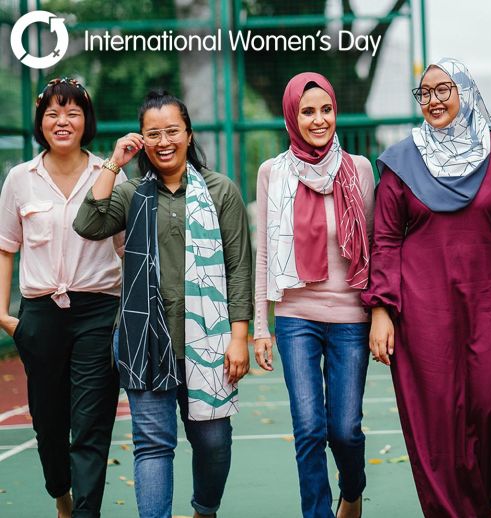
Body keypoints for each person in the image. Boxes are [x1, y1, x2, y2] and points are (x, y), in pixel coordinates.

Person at [73, 91, 252, 518]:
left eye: (172, 130)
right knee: (153, 446)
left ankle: (204, 509)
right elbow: (89, 222)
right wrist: (114, 162)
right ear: (143, 141)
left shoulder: (219, 190)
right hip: (143, 340)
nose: (164, 140)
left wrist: (240, 336)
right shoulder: (132, 192)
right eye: (153, 134)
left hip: (209, 341)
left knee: (213, 440)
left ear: (188, 135)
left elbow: (238, 267)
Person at [361, 58, 491, 518]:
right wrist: (381, 310)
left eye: (443, 89)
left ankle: (487, 498)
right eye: (424, 92)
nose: (433, 100)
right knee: (437, 420)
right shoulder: (400, 160)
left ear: (466, 92)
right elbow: (386, 238)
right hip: (423, 310)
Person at [252, 72, 374, 518]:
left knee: (345, 430)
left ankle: (353, 490)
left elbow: (375, 248)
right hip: (295, 316)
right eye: (307, 111)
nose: (318, 119)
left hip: (350, 317)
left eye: (326, 110)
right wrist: (261, 327)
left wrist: (380, 316)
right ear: (292, 116)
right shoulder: (273, 173)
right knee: (308, 429)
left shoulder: (359, 169)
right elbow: (264, 251)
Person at [0, 77, 123, 518]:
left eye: (72, 112)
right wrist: (4, 314)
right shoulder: (20, 179)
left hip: (98, 312)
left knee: (90, 425)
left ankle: (87, 513)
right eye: (53, 113)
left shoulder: (108, 174)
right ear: (41, 122)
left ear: (85, 120)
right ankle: (62, 495)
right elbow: (5, 247)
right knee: (49, 423)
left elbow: (129, 250)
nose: (62, 121)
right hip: (40, 315)